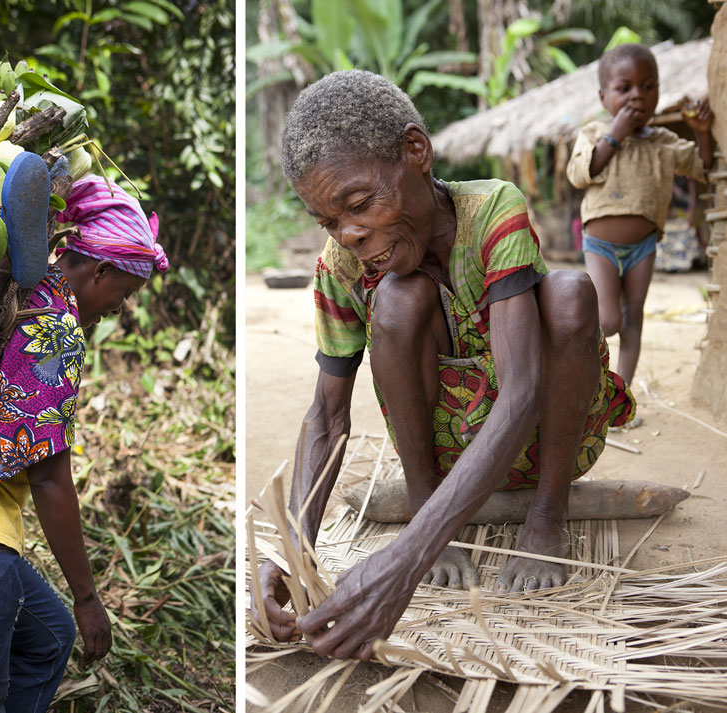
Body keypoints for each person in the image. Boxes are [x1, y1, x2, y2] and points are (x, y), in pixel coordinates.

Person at [252, 70, 635, 662]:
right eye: (329, 221)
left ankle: (545, 512)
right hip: (440, 463)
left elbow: (523, 391)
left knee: (569, 294)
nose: (349, 233)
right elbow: (328, 416)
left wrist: (410, 555)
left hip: (542, 441)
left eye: (358, 205)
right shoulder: (342, 269)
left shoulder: (491, 212)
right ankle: (434, 507)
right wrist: (293, 549)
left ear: (416, 152)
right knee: (398, 299)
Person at [0, 173, 169, 712]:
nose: (121, 306)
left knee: (48, 638)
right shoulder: (56, 330)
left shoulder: (27, 290)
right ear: (102, 270)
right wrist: (89, 597)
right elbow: (48, 477)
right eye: (125, 292)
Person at [566, 43, 713, 401]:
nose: (638, 96)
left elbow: (704, 168)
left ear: (660, 92)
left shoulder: (664, 142)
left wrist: (703, 132)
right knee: (609, 321)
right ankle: (583, 380)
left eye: (648, 87)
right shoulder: (594, 135)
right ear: (604, 97)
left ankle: (619, 397)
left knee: (633, 319)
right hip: (600, 246)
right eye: (624, 88)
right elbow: (579, 174)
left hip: (643, 247)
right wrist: (615, 134)